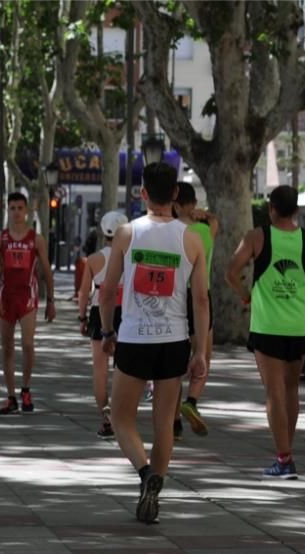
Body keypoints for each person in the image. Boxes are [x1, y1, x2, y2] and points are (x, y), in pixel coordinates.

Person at [99, 162, 209, 524]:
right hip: (174, 341)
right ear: (176, 195)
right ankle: (156, 484)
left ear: (143, 193)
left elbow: (108, 290)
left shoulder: (127, 234)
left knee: (120, 417)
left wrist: (106, 332)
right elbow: (202, 300)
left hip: (134, 337)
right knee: (164, 422)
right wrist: (201, 352)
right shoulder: (192, 238)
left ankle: (146, 474)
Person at [225, 185, 305, 479]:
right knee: (290, 389)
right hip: (299, 326)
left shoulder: (257, 236)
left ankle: (284, 458)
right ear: (297, 211)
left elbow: (230, 271)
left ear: (271, 208)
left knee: (273, 392)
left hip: (267, 326)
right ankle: (287, 454)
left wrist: (246, 294)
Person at [0, 192, 56, 414]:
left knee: (28, 344)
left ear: (27, 211)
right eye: (12, 208)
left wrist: (51, 301)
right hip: (6, 296)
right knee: (7, 348)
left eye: (20, 208)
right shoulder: (1, 237)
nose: (16, 212)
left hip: (28, 296)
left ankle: (26, 389)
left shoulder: (36, 239)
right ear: (7, 211)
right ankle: (10, 396)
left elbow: (46, 270)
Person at [171, 183, 220, 438]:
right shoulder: (205, 229)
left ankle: (173, 420)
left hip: (175, 296)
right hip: (202, 295)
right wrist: (204, 213)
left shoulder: (171, 231)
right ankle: (191, 401)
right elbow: (215, 221)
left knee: (175, 361)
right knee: (203, 356)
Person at [77, 211, 126, 438]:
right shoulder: (130, 257)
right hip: (126, 315)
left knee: (100, 369)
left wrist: (82, 317)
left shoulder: (94, 260)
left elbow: (84, 292)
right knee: (123, 369)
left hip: (99, 314)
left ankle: (105, 418)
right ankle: (120, 416)